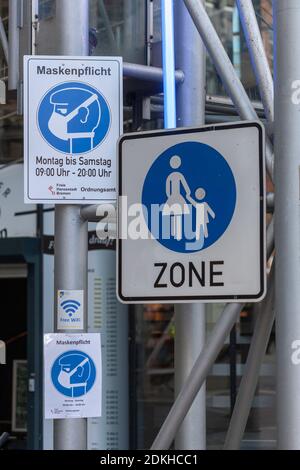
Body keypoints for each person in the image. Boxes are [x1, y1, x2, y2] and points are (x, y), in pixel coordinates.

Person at [162, 155, 192, 241]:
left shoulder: (171, 176)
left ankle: (175, 233)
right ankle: (175, 233)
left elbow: (167, 189)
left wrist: (169, 197)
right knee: (176, 214)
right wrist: (188, 193)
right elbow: (185, 186)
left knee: (174, 214)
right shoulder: (177, 175)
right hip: (176, 197)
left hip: (173, 197)